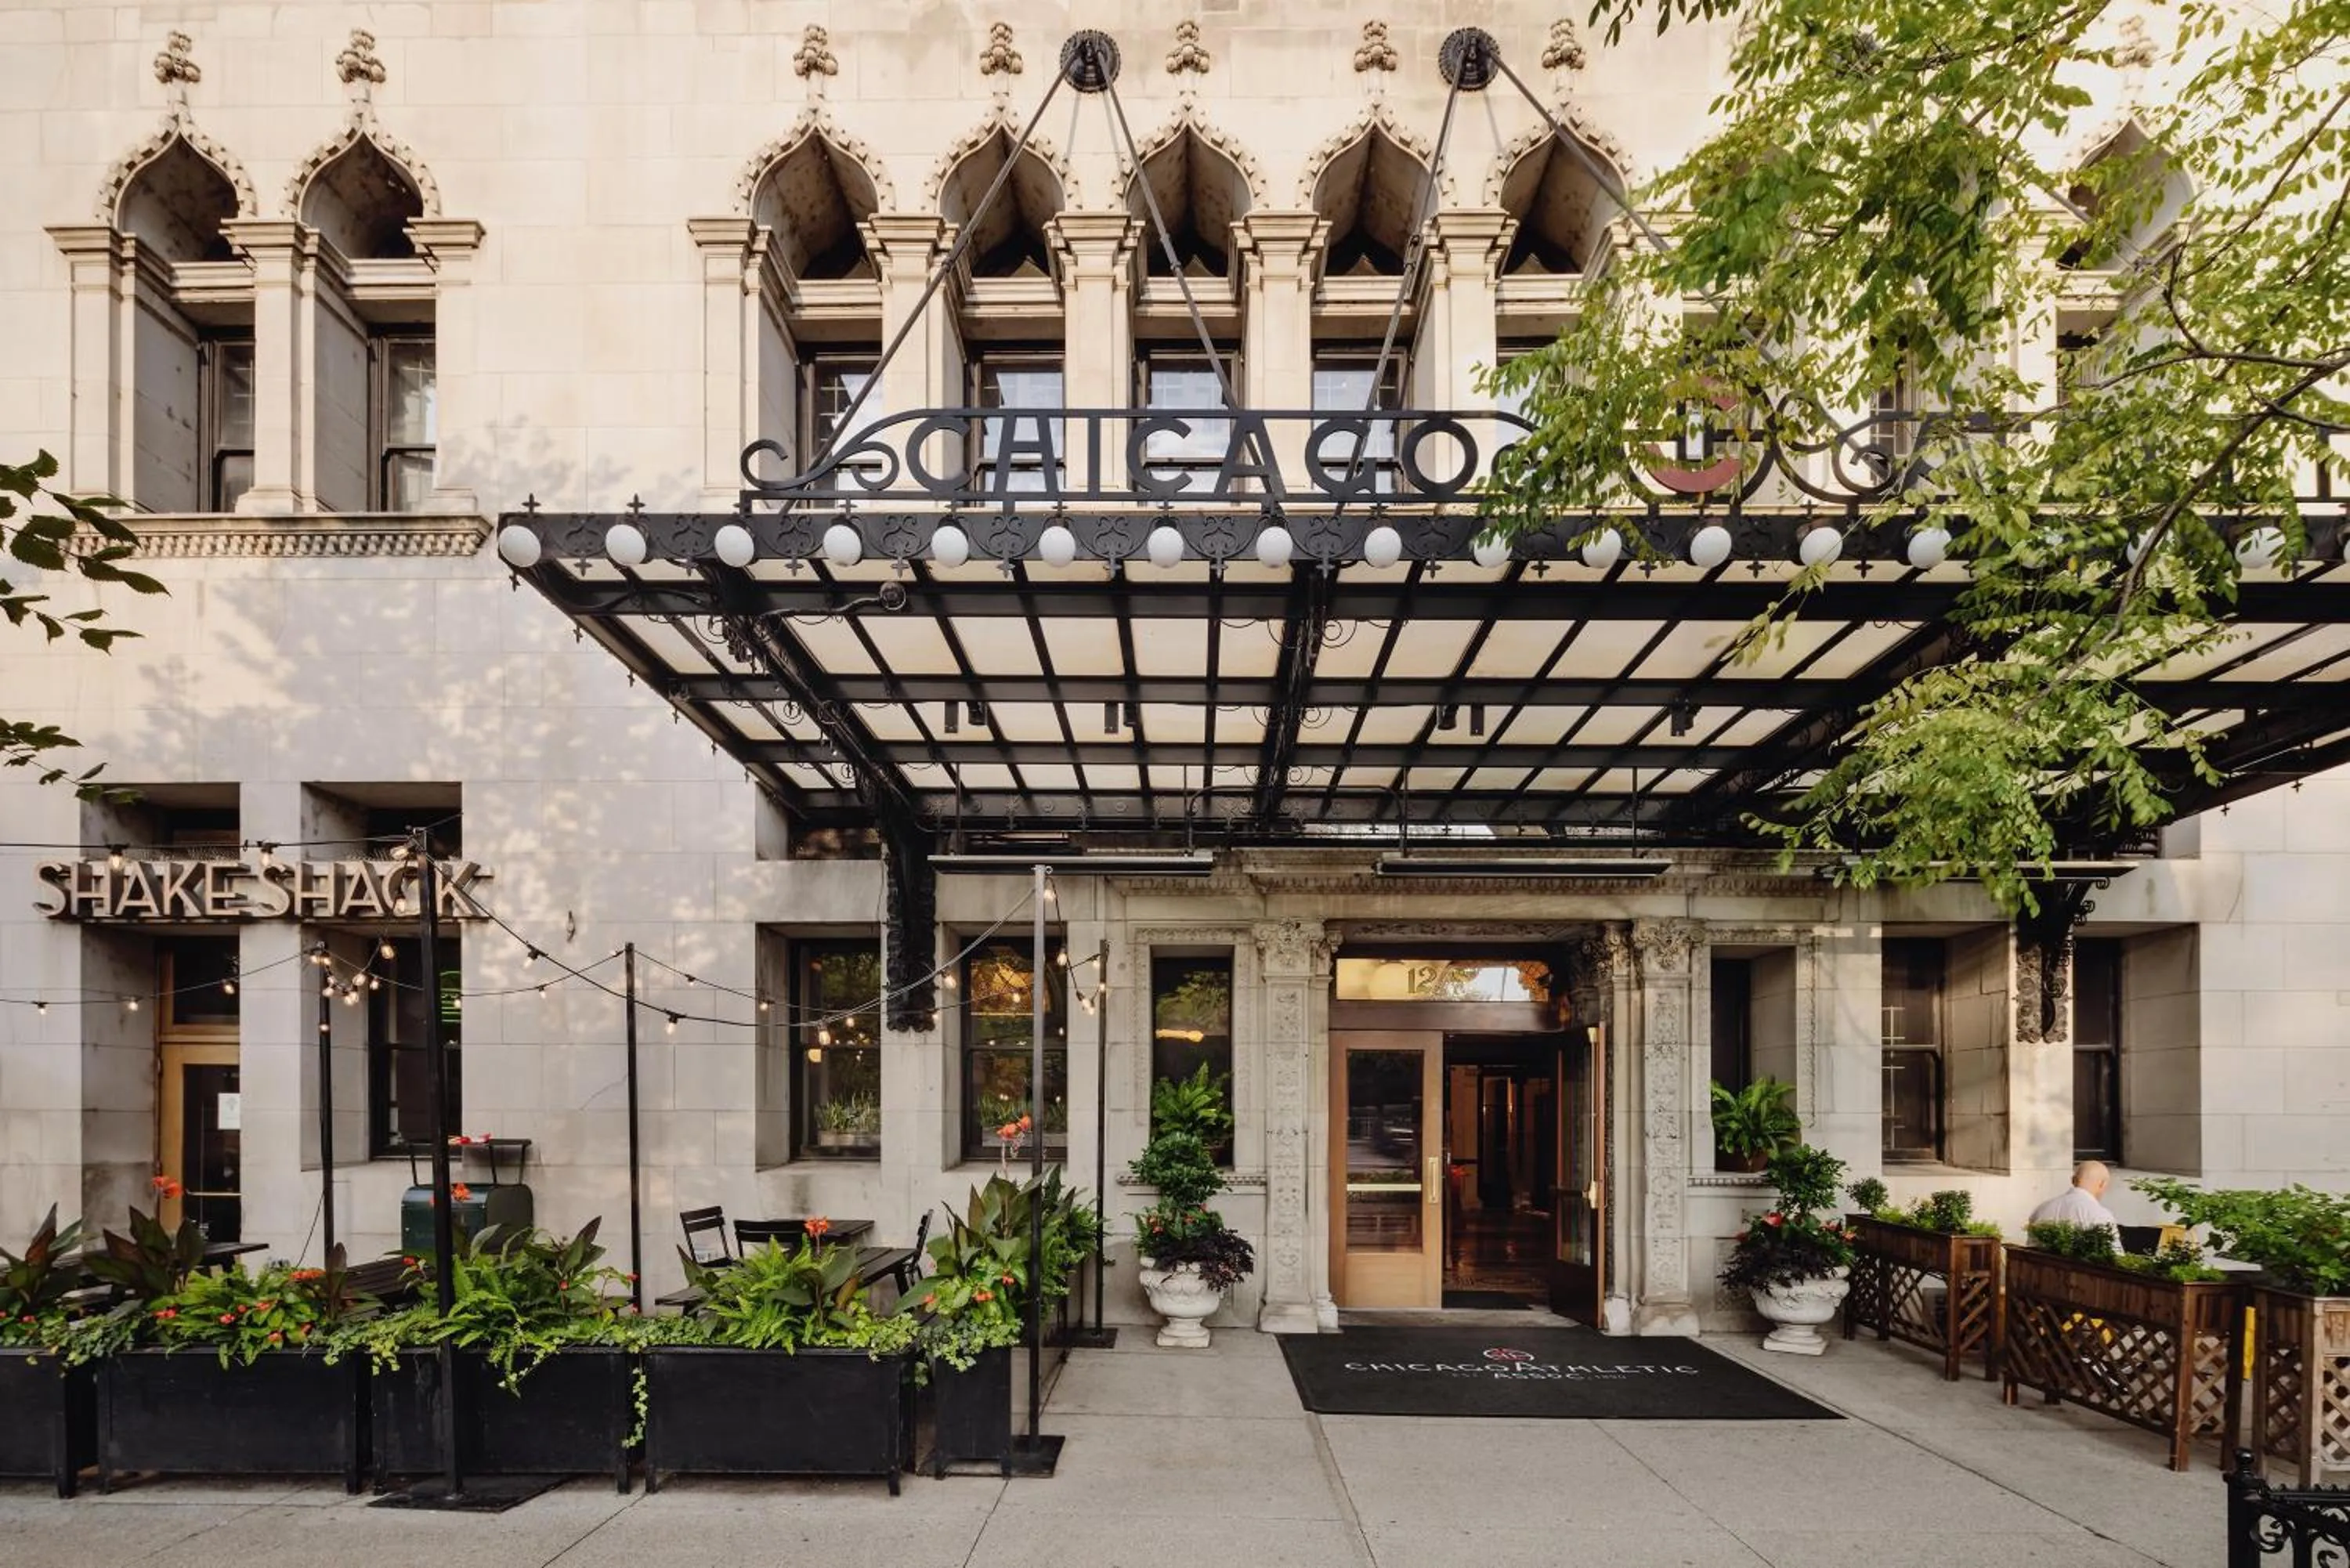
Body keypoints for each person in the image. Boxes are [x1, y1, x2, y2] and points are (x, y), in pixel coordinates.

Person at [2029, 1160, 2123, 1234]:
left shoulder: (2042, 1209)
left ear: (2073, 1180)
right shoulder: (2100, 1215)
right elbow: (2114, 1255)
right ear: (2103, 1184)